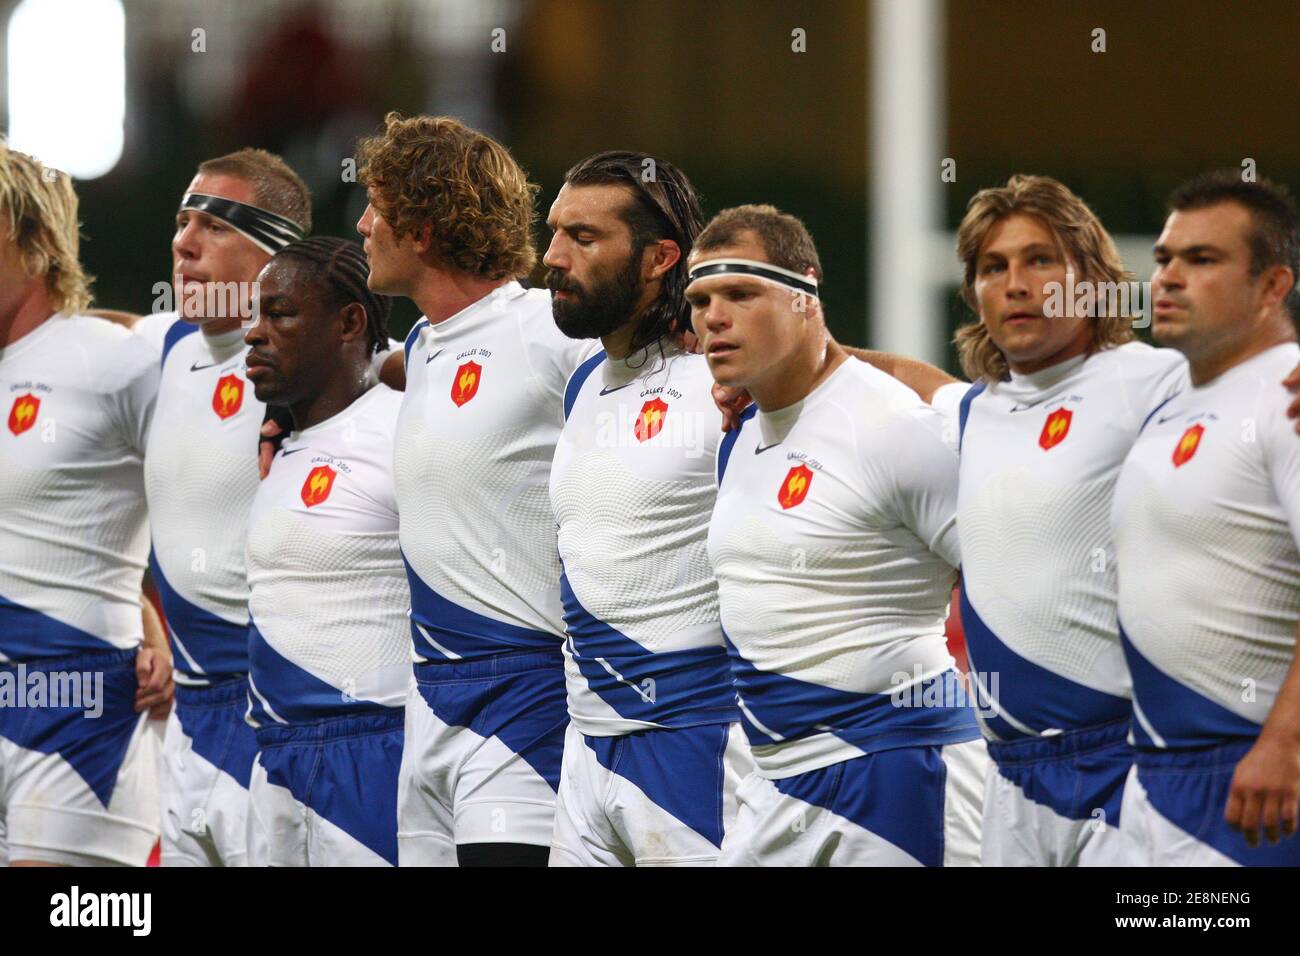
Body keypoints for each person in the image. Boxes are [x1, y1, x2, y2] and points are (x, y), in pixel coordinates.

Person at [687, 204, 986, 866]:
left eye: (741, 293)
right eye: (701, 298)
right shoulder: (737, 438)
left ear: (806, 295)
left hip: (899, 771)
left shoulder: (895, 428)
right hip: (775, 783)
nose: (715, 316)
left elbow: (1013, 581)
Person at [356, 113, 590, 866]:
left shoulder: (548, 332)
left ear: (421, 229)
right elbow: (370, 364)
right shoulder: (423, 345)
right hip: (427, 698)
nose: (362, 225)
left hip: (524, 696)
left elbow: (682, 372)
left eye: (376, 208)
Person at [943, 175, 1188, 865]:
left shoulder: (1159, 382)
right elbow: (893, 388)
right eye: (994, 267)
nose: (1016, 282)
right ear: (976, 294)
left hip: (1129, 761)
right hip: (1010, 777)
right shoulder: (966, 416)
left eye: (1041, 259)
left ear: (1092, 278)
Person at [543, 152, 753, 865]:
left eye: (583, 237)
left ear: (661, 257)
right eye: (554, 233)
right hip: (584, 750)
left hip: (694, 746)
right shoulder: (581, 386)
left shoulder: (727, 387)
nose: (552, 256)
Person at [1113, 171, 1300, 865]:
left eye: (1203, 259)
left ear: (1273, 286)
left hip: (1254, 778)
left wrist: (1285, 743)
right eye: (1164, 259)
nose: (1168, 277)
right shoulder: (1170, 402)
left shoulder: (1287, 398)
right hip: (1156, 778)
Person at [134, 148, 311, 866]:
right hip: (185, 718)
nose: (183, 243)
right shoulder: (159, 350)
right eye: (181, 222)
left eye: (212, 226)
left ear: (276, 252)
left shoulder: (333, 365)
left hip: (281, 711)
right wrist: (149, 626)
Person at [0, 142, 168, 866]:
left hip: (75, 716)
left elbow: (214, 482)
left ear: (37, 242)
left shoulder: (115, 356)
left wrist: (170, 632)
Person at [241, 237, 408, 866]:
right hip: (275, 755)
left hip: (377, 752)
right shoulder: (279, 441)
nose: (255, 334)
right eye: (256, 314)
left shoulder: (409, 426)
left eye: (280, 313)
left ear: (349, 322)